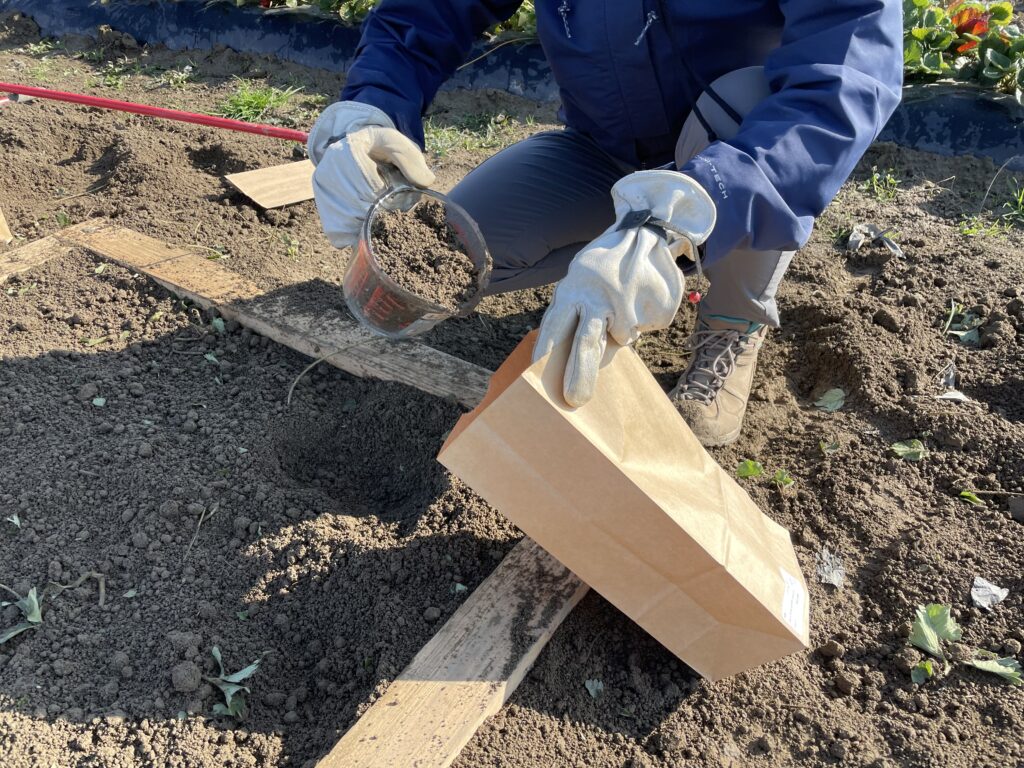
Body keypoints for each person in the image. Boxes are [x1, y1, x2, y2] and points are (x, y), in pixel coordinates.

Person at [306, 1, 903, 446]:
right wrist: (373, 104)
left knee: (746, 102)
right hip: (602, 150)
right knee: (450, 246)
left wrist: (681, 211)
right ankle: (618, 247)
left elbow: (842, 83)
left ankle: (732, 319)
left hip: (729, 158)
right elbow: (431, 9)